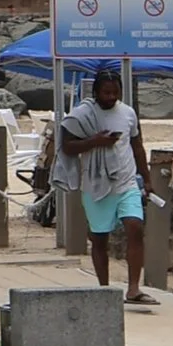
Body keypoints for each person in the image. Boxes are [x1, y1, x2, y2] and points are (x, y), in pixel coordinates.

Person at [59, 60, 150, 307]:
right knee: (100, 239)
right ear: (96, 92)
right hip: (96, 183)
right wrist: (94, 142)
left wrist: (147, 179)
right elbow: (67, 145)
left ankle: (133, 288)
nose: (111, 97)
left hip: (126, 180)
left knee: (135, 227)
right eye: (106, 92)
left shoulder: (128, 113)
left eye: (115, 92)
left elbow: (137, 146)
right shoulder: (82, 114)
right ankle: (104, 289)